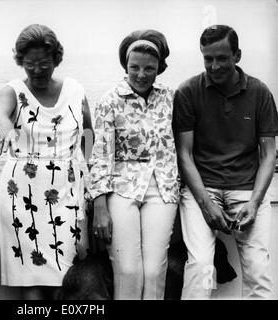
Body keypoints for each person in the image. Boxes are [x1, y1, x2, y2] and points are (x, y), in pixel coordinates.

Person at [173, 25, 278, 299]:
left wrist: (255, 202)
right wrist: (207, 206)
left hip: (247, 189)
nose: (214, 66)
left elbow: (268, 154)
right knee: (202, 266)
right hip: (202, 190)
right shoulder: (188, 92)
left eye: (222, 58)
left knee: (258, 269)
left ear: (237, 55)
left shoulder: (259, 92)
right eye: (208, 58)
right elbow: (184, 155)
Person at [0, 24, 93, 300]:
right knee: (33, 277)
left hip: (67, 192)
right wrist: (5, 128)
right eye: (29, 64)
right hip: (22, 194)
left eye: (44, 63)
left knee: (67, 275)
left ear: (56, 59)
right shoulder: (12, 90)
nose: (37, 70)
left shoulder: (75, 90)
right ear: (20, 61)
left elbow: (88, 136)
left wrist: (95, 184)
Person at [88, 30, 180, 300]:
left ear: (159, 68)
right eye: (134, 67)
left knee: (153, 271)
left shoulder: (171, 98)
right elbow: (100, 155)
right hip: (121, 188)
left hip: (162, 188)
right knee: (128, 270)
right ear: (125, 66)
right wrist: (100, 206)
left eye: (149, 68)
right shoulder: (109, 101)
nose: (141, 74)